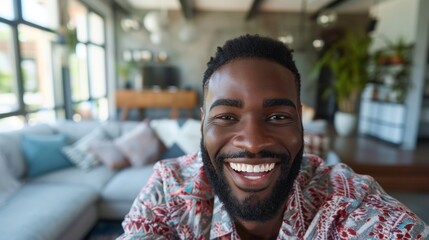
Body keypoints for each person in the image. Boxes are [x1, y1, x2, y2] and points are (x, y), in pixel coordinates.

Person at [118, 35, 429, 239]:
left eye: (278, 117)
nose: (252, 142)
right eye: (226, 117)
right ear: (202, 124)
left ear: (301, 123)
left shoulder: (348, 202)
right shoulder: (169, 189)